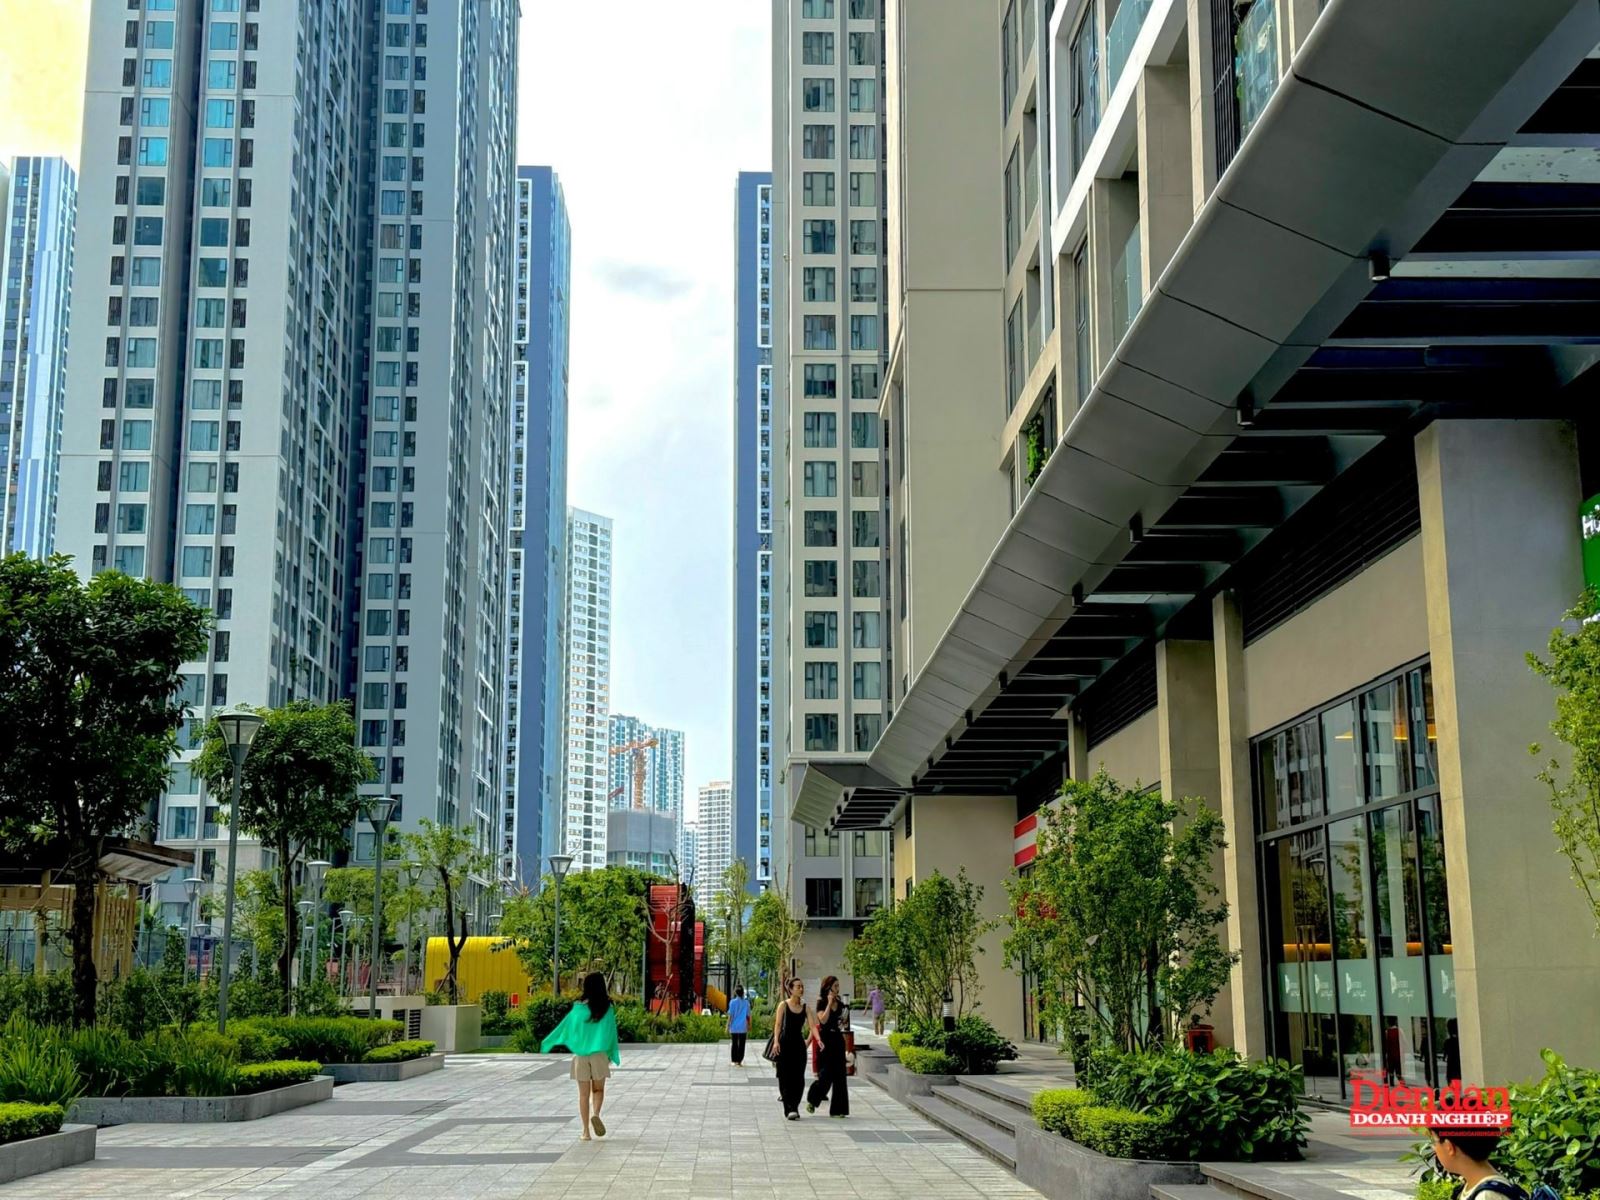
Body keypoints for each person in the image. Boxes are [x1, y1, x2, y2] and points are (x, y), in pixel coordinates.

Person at [541, 972, 621, 1141]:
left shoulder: (577, 1009)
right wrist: (611, 1054)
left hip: (581, 1057)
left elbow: (565, 1028)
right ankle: (596, 1114)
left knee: (583, 1095)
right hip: (599, 1054)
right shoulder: (606, 1008)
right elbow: (611, 1033)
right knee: (598, 1090)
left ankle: (585, 1132)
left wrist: (549, 1042)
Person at [1429, 1129, 1542, 1200]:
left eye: (1434, 1141)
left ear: (1449, 1147)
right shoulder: (1474, 1187)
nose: (1433, 1148)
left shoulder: (1487, 1196)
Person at [806, 974, 850, 1117]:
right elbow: (823, 1020)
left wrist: (844, 1019)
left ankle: (839, 1110)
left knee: (840, 1075)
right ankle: (813, 1099)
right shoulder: (822, 1002)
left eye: (838, 986)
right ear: (828, 987)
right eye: (835, 986)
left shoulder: (840, 1003)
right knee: (826, 1073)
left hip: (837, 1039)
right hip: (826, 1039)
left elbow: (842, 1022)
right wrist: (829, 1004)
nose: (838, 988)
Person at [770, 976, 812, 1120]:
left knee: (799, 1078)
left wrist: (810, 1041)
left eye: (802, 986)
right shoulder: (783, 1005)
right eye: (798, 986)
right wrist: (776, 1042)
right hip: (784, 1044)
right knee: (784, 1077)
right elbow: (778, 1025)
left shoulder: (805, 1007)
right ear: (791, 989)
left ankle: (795, 1106)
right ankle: (789, 1108)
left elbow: (813, 1026)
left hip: (799, 1045)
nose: (801, 989)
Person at [727, 985, 752, 1066]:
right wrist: (749, 1025)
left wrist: (727, 1026)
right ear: (742, 992)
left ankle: (734, 1060)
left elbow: (730, 1015)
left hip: (734, 1026)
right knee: (742, 1044)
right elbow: (748, 1016)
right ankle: (739, 1061)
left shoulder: (732, 1002)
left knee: (734, 1043)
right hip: (743, 1026)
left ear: (736, 992)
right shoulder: (746, 1003)